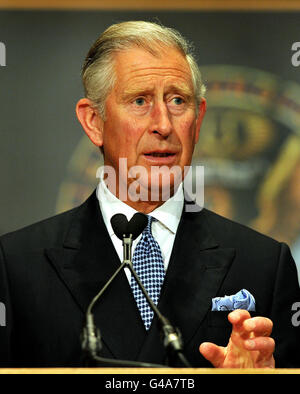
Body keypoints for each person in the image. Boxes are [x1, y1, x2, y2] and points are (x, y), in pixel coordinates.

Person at [0, 21, 299, 369]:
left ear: (198, 119)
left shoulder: (264, 265)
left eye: (177, 101)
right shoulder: (18, 266)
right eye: (140, 100)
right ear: (94, 121)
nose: (164, 124)